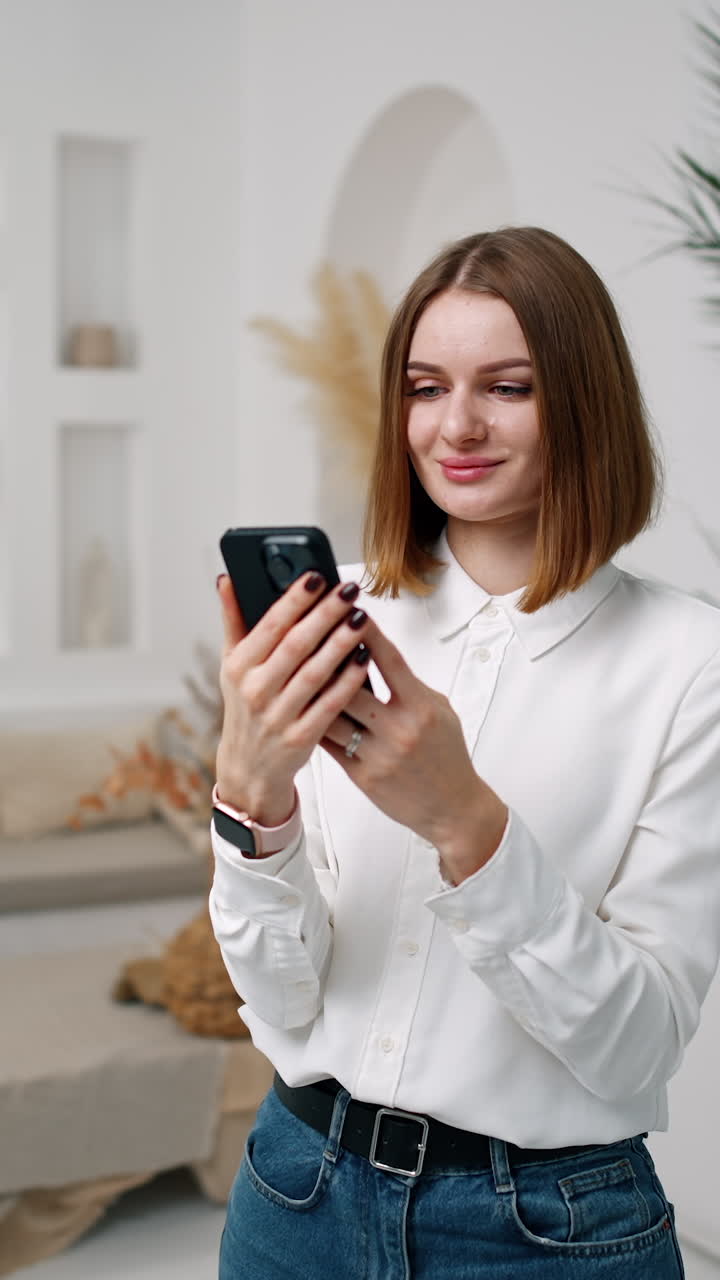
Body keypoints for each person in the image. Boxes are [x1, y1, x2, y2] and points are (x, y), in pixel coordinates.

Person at [209, 227, 720, 1278]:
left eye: (510, 386)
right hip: (294, 1194)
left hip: (549, 1232)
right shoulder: (329, 617)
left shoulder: (690, 659)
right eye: (426, 385)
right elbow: (279, 996)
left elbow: (638, 1042)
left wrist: (467, 825)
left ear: (581, 400)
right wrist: (251, 801)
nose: (457, 425)